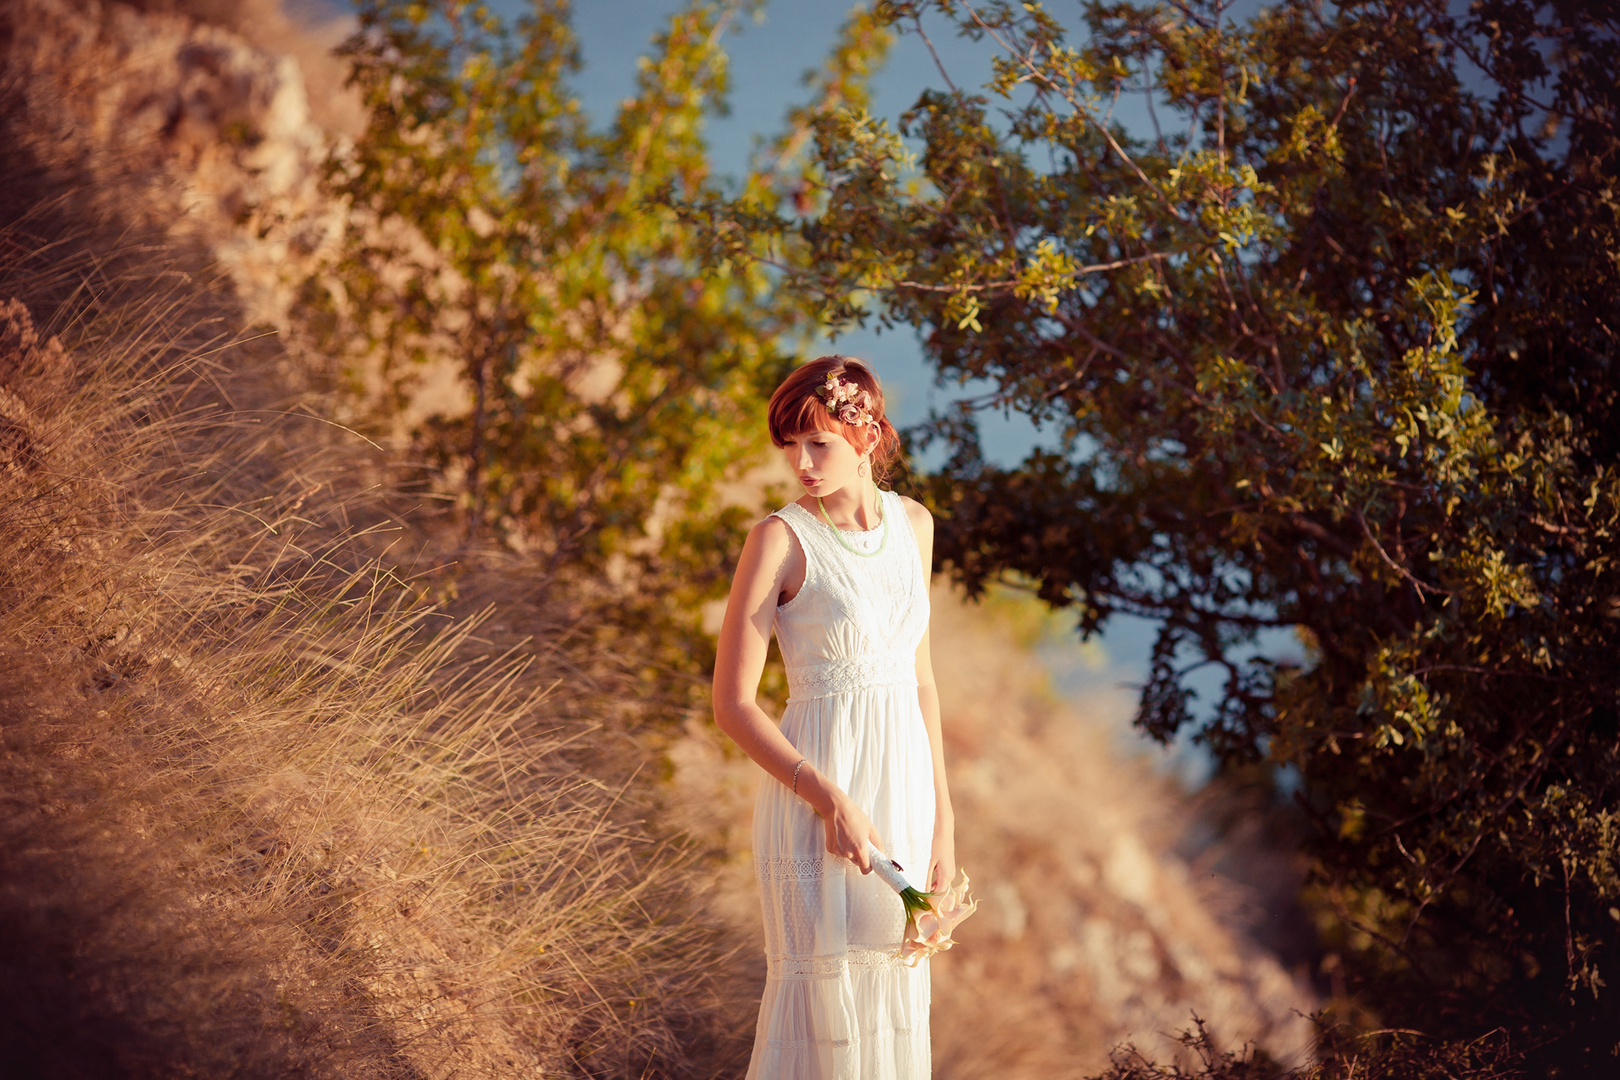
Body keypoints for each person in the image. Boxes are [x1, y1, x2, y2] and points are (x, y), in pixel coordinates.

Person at [712, 356, 955, 1079]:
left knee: (893, 995)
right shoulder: (779, 541)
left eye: (817, 442)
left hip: (903, 798)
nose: (801, 463)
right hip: (820, 798)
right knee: (823, 1013)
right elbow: (731, 705)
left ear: (869, 436)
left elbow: (923, 678)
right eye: (789, 444)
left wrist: (945, 824)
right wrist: (830, 801)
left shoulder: (916, 526)